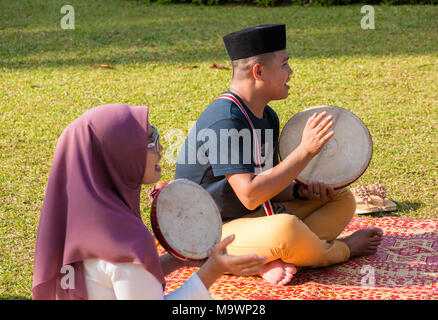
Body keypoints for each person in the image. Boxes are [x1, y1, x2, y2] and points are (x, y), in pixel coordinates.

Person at [174, 24, 383, 286]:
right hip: (208, 234)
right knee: (286, 229)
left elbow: (268, 185)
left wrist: (299, 192)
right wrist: (305, 151)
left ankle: (273, 256)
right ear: (258, 72)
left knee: (341, 198)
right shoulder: (225, 120)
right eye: (284, 64)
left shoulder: (268, 116)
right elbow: (250, 196)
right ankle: (339, 250)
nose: (291, 72)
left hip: (248, 220)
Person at [32, 104, 266, 300]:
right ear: (118, 158)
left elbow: (119, 282)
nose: (161, 148)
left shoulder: (70, 227)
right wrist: (213, 269)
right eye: (150, 140)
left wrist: (177, 260)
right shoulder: (125, 242)